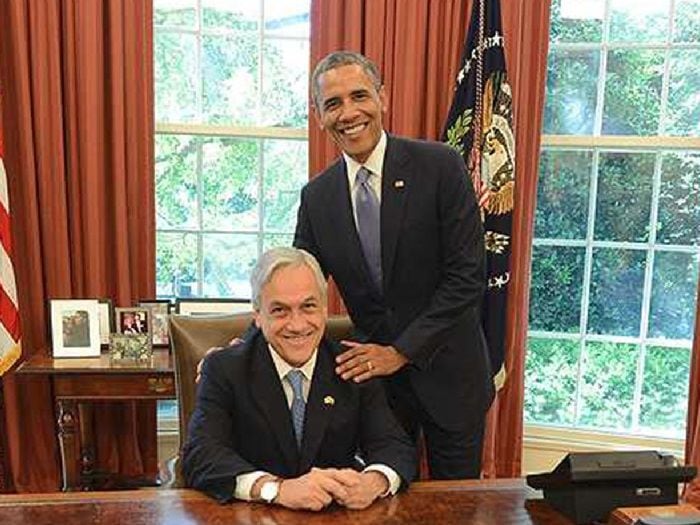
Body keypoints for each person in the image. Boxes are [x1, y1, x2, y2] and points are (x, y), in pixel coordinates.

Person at [293, 51, 494, 480]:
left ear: (382, 98)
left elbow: (467, 278)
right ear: (318, 116)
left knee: (453, 510)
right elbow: (297, 287)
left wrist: (400, 352)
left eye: (359, 96)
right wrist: (247, 343)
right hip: (378, 395)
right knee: (384, 504)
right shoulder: (317, 197)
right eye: (333, 104)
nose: (349, 113)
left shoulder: (440, 166)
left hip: (450, 376)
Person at [183, 247, 415, 509]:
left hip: (333, 515)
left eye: (308, 307)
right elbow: (200, 454)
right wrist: (275, 489)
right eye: (280, 310)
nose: (297, 325)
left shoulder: (352, 366)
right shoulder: (225, 368)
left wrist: (373, 482)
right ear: (258, 316)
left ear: (324, 309)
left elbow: (394, 446)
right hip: (253, 515)